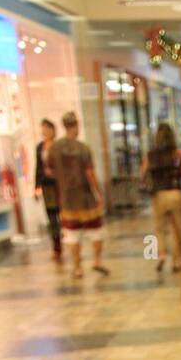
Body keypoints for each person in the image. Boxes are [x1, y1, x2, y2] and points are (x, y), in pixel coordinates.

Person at [47, 111, 108, 281]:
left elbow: (49, 170)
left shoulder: (54, 148)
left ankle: (77, 267)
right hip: (86, 197)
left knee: (72, 234)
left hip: (67, 198)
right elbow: (90, 174)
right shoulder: (83, 148)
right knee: (96, 231)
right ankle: (96, 260)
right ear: (76, 125)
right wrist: (99, 194)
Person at [141, 123, 181, 274]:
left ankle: (161, 255)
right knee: (177, 229)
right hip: (175, 193)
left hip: (158, 195)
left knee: (159, 228)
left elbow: (142, 174)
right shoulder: (178, 154)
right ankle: (176, 262)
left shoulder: (150, 155)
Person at [34, 118, 61, 262]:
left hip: (59, 185)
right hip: (46, 185)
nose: (43, 131)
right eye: (42, 128)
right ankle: (56, 245)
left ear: (52, 129)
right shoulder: (40, 147)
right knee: (51, 217)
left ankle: (66, 238)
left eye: (46, 128)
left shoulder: (58, 146)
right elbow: (38, 167)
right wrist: (36, 186)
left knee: (62, 213)